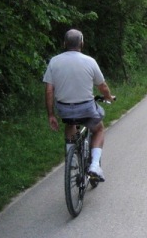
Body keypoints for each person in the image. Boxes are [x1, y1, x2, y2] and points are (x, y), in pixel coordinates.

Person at [43, 29, 114, 182]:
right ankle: (95, 165)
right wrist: (109, 97)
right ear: (82, 43)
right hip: (86, 108)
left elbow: (49, 91)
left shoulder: (54, 62)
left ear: (64, 43)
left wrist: (51, 115)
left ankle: (71, 162)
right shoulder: (89, 61)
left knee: (70, 124)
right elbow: (103, 87)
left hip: (64, 109)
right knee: (99, 128)